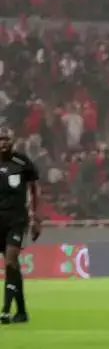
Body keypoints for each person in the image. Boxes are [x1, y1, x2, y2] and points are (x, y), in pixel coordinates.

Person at [0, 128, 39, 324]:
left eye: (6, 139)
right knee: (13, 266)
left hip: (16, 219)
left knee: (10, 261)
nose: (3, 143)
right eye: (0, 139)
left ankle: (5, 310)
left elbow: (33, 190)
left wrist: (35, 217)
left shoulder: (23, 163)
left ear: (13, 141)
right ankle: (22, 312)